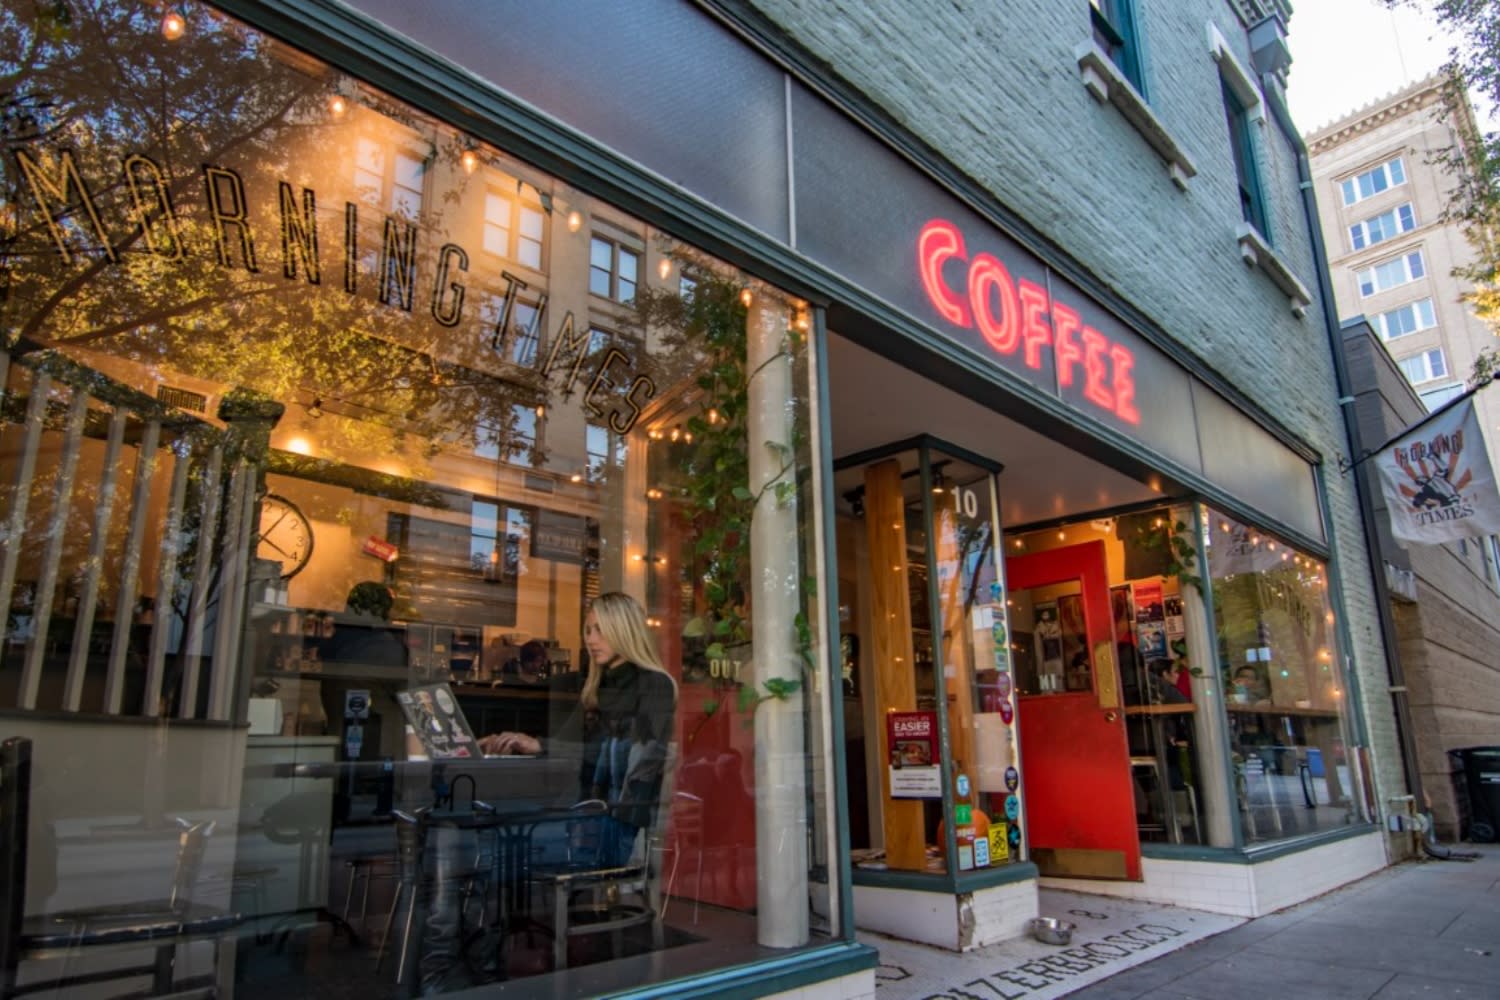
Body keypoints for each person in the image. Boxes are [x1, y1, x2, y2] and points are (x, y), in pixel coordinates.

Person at [419, 593, 675, 991]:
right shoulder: (599, 687)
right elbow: (568, 746)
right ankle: (474, 961)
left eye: (600, 629)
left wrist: (541, 745)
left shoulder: (653, 685)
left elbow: (632, 761)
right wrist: (519, 741)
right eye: (587, 630)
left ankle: (453, 968)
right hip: (580, 818)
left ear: (624, 630)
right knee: (458, 832)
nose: (590, 639)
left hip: (608, 830)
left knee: (466, 842)